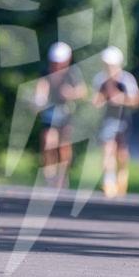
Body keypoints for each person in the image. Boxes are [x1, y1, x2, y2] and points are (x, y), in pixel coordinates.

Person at [32, 42, 87, 188]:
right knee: (48, 142)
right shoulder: (46, 73)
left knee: (63, 146)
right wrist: (39, 100)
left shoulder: (72, 73)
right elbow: (41, 88)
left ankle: (62, 177)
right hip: (50, 113)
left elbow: (82, 91)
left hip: (66, 112)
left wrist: (71, 93)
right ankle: (49, 176)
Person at [92, 46, 139, 198]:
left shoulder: (127, 80)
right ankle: (109, 181)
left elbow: (137, 101)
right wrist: (99, 101)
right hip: (108, 120)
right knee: (108, 148)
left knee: (122, 153)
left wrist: (122, 99)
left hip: (123, 120)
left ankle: (122, 179)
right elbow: (96, 100)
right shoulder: (100, 79)